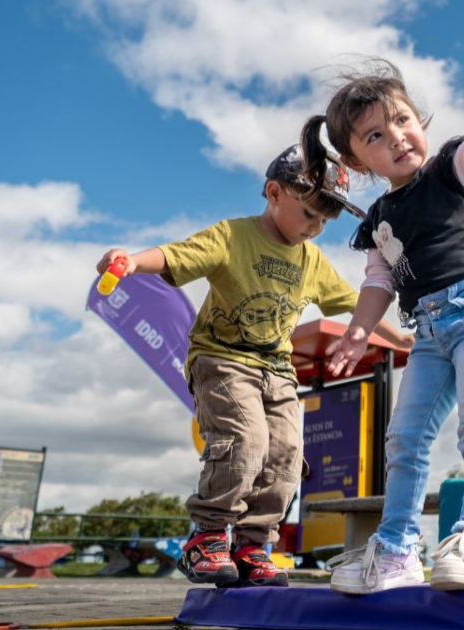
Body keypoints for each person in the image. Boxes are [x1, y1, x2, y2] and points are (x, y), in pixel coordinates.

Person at [95, 145, 413, 588]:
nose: (315, 229)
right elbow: (174, 255)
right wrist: (130, 261)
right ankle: (206, 538)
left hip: (277, 370)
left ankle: (252, 545)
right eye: (308, 215)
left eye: (324, 222)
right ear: (273, 192)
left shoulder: (311, 261)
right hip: (221, 359)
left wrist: (398, 336)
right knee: (246, 440)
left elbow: (357, 304)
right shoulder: (233, 236)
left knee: (286, 454)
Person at [299, 55, 464, 593]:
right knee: (404, 439)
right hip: (428, 333)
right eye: (375, 135)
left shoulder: (450, 170)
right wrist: (358, 330)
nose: (397, 138)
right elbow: (377, 284)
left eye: (403, 121)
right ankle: (395, 551)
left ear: (420, 121)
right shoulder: (379, 221)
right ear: (357, 160)